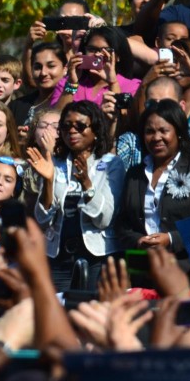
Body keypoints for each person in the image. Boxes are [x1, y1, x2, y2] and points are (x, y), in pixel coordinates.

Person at [28, 101, 124, 291]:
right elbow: (42, 219)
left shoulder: (112, 163)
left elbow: (104, 219)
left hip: (97, 257)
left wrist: (87, 184)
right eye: (66, 126)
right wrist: (48, 180)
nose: (72, 131)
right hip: (58, 257)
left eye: (80, 126)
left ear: (95, 130)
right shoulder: (53, 163)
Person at [116, 100, 190, 259]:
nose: (156, 137)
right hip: (141, 266)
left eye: (163, 130)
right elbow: (122, 225)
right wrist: (139, 242)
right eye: (149, 131)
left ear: (179, 132)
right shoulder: (134, 174)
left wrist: (171, 239)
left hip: (184, 268)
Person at [115, 77, 190, 169]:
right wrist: (112, 124)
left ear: (181, 107)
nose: (158, 110)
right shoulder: (132, 142)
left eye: (167, 104)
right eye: (152, 104)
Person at [64, 27, 140, 106]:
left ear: (118, 56)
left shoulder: (133, 86)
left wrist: (113, 83)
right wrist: (72, 83)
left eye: (106, 50)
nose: (97, 54)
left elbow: (123, 116)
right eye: (92, 49)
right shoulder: (67, 82)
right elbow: (57, 114)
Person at [9, 42, 68, 129]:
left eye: (51, 66)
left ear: (65, 69)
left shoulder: (73, 103)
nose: (43, 73)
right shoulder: (17, 106)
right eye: (37, 67)